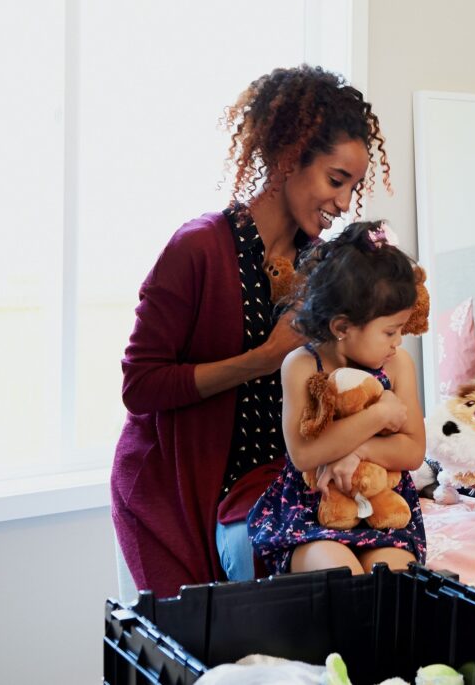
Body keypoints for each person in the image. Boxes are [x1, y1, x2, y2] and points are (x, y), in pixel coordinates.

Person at [111, 65, 391, 597]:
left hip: (261, 497)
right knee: (194, 661)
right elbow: (140, 386)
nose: (343, 203)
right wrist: (262, 358)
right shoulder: (198, 249)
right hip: (170, 492)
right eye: (336, 181)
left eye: (353, 187)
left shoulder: (319, 267)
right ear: (289, 159)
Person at [248, 221, 427, 576]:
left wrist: (355, 451)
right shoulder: (301, 365)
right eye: (390, 331)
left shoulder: (396, 365)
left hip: (384, 515)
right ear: (342, 328)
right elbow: (305, 454)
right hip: (314, 512)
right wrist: (379, 416)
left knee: (394, 583)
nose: (398, 342)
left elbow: (412, 451)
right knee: (339, 577)